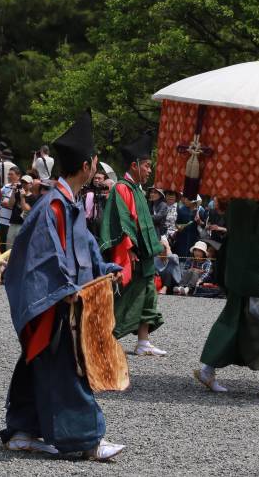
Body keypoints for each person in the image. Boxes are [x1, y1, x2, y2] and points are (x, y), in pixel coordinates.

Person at [0, 110, 125, 461]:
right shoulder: (53, 206)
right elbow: (45, 258)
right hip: (55, 303)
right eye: (96, 162)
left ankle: (23, 429)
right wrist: (66, 289)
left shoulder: (65, 203)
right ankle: (86, 440)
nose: (97, 168)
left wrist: (105, 269)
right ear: (86, 165)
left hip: (63, 299)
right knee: (66, 369)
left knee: (38, 363)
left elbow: (83, 249)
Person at [194, 198, 259, 401]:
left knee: (233, 322)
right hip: (257, 279)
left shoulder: (237, 203)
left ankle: (208, 371)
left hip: (237, 273)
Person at [100, 133, 167, 356]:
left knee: (148, 294)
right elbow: (124, 221)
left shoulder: (137, 189)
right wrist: (130, 249)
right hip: (132, 253)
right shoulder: (122, 188)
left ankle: (143, 342)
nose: (150, 170)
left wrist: (159, 244)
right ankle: (102, 337)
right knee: (125, 298)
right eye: (147, 166)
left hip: (145, 253)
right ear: (134, 165)